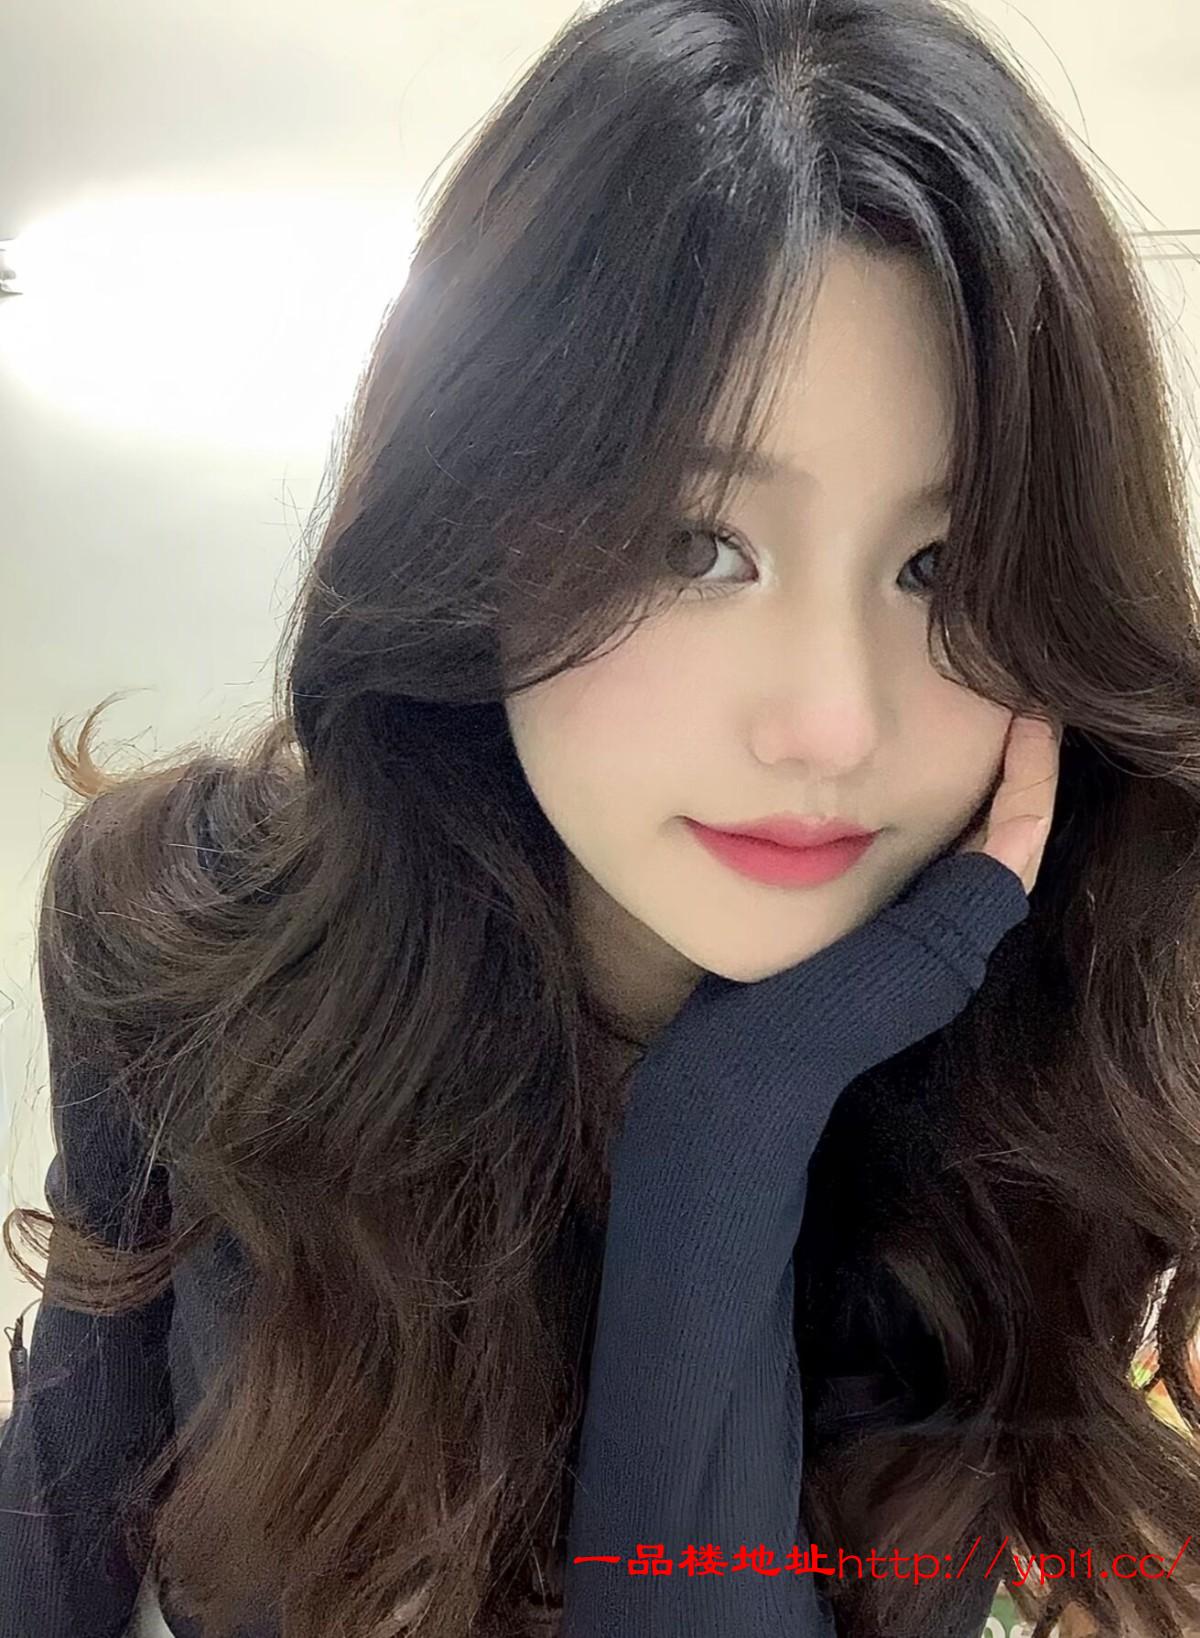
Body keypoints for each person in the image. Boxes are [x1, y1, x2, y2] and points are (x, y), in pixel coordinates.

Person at [2, 0, 1200, 1636]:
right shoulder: (190, 952)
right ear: (483, 526)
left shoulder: (1050, 1105)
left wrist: (726, 1135)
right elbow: (49, 1550)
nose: (831, 723)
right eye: (699, 545)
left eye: (944, 568)